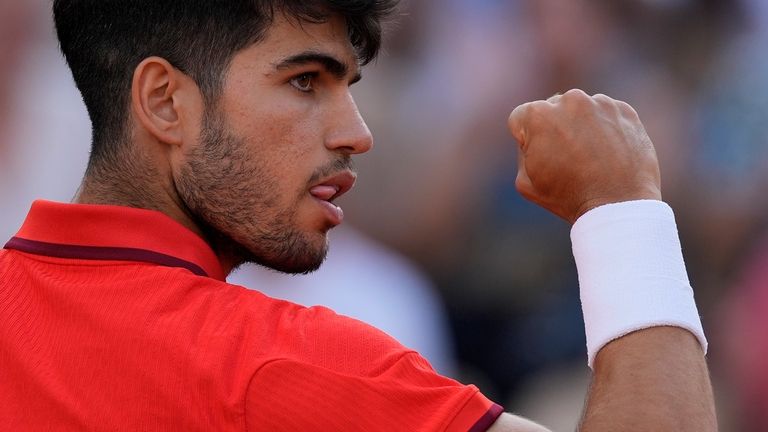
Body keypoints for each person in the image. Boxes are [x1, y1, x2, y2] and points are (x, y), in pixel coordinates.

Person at [0, 1, 716, 431]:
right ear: (164, 101)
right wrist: (623, 209)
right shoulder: (282, 367)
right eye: (305, 81)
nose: (356, 132)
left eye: (350, 84)